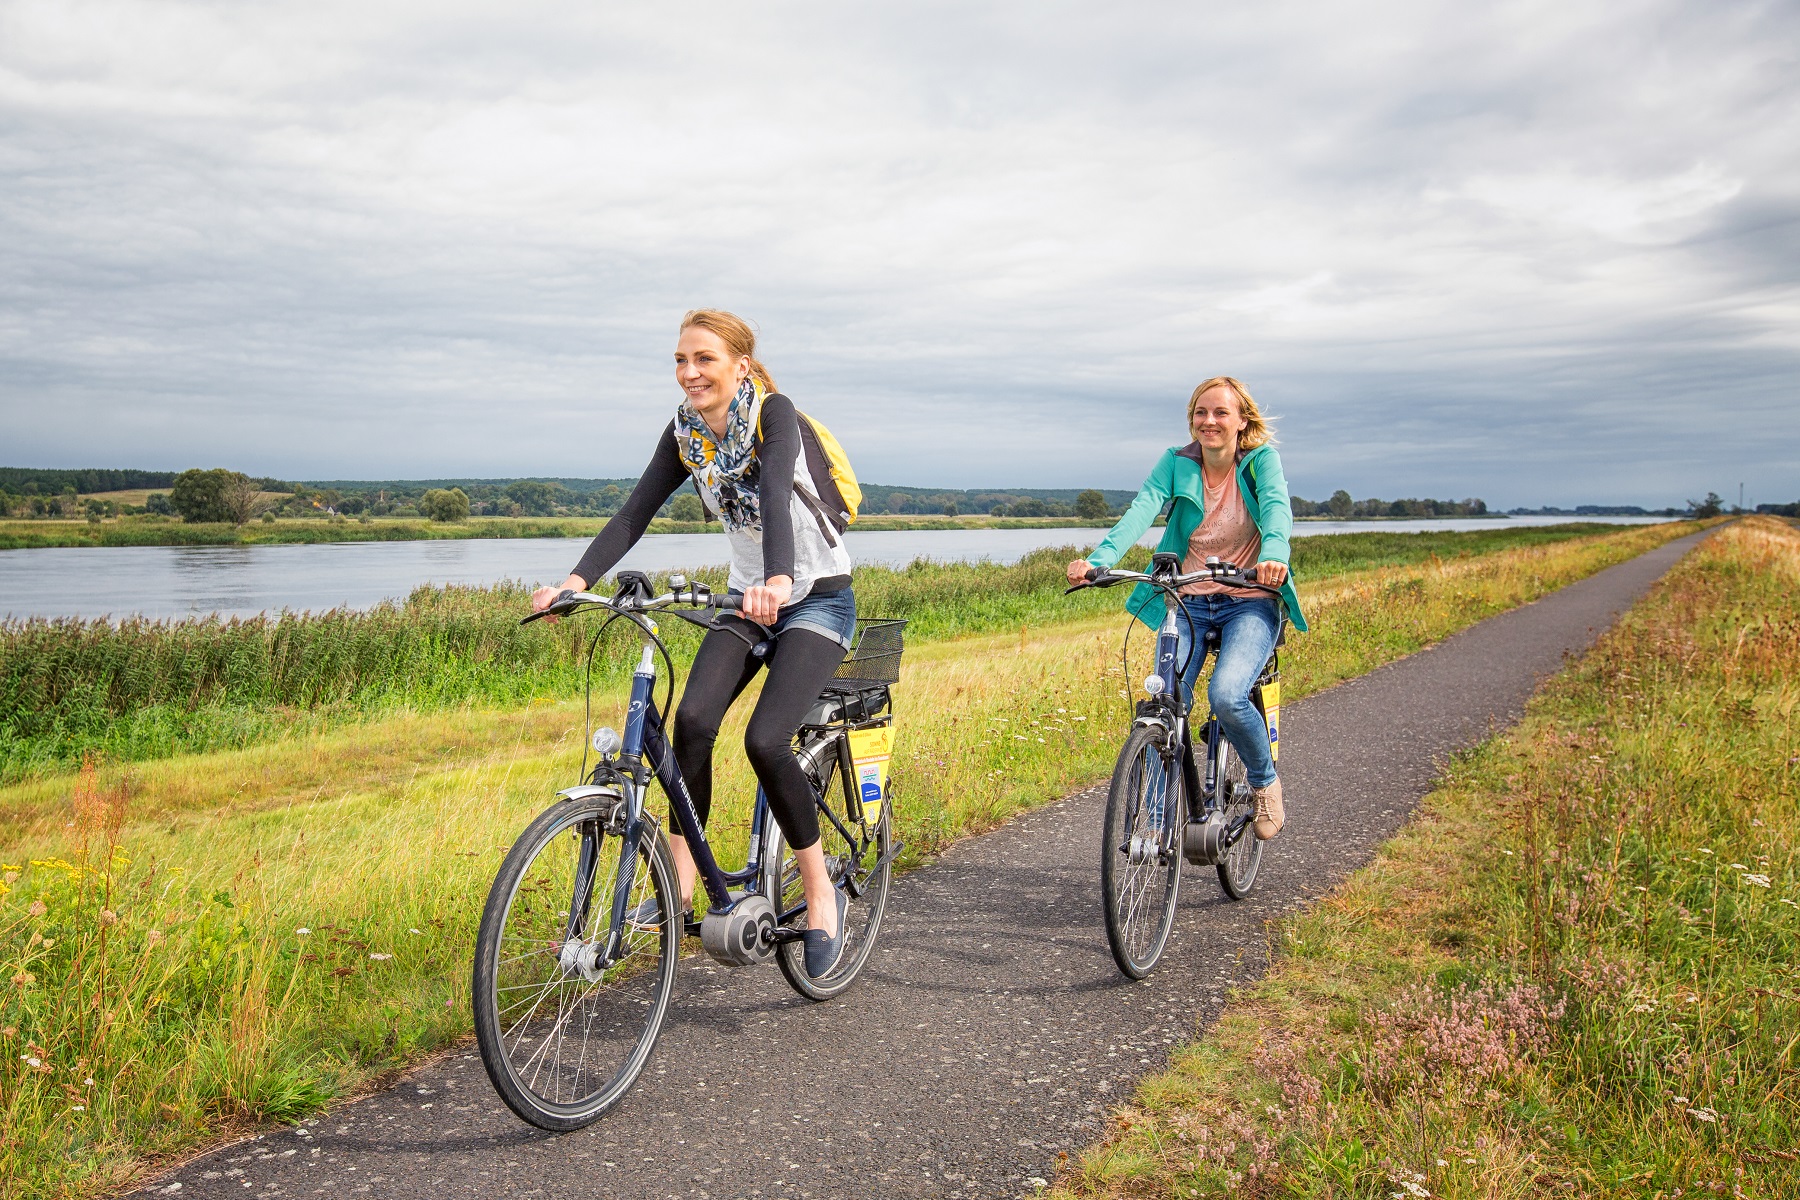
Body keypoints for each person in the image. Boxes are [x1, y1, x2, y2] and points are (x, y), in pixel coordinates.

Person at [531, 309, 857, 977]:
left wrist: (777, 578)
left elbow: (771, 490)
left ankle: (821, 892)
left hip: (815, 598)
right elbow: (635, 510)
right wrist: (573, 581)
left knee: (766, 742)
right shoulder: (685, 433)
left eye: (703, 359)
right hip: (748, 601)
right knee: (693, 723)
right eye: (681, 360)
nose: (689, 372)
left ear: (740, 365)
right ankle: (682, 881)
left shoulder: (774, 414)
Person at [1066, 376, 1308, 840]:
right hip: (1189, 598)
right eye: (1201, 412)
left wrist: (1274, 555)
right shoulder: (1176, 463)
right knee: (1164, 705)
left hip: (1249, 599)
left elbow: (1277, 508)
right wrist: (1099, 561)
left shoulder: (1259, 462)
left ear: (1242, 421)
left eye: (1221, 413)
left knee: (1228, 694)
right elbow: (1141, 509)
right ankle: (1155, 825)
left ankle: (1264, 783)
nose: (1210, 421)